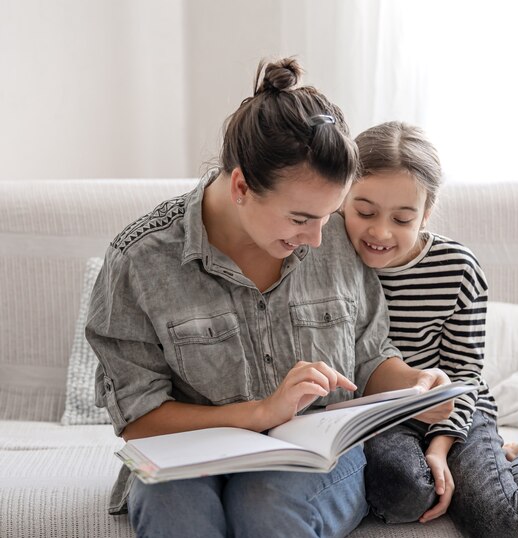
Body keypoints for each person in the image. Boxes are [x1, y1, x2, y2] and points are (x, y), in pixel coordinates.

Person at [85, 59, 453, 538]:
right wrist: (261, 413)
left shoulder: (336, 236)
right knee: (178, 514)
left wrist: (415, 388)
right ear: (241, 186)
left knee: (265, 507)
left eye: (329, 215)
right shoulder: (141, 260)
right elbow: (139, 419)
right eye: (301, 218)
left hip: (312, 458)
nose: (321, 239)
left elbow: (368, 359)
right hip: (184, 454)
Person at [342, 121, 518, 537]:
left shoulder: (458, 269)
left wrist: (440, 449)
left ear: (427, 211)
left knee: (505, 522)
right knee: (402, 491)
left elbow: (463, 374)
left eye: (402, 218)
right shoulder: (329, 256)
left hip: (456, 408)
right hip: (383, 416)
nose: (380, 232)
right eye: (364, 211)